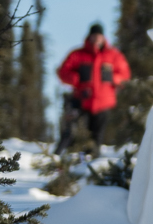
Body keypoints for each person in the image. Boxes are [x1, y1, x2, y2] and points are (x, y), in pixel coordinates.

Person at [55, 23, 131, 151]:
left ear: (103, 37)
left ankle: (93, 158)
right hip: (82, 102)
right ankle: (63, 154)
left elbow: (125, 76)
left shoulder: (113, 55)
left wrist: (113, 78)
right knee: (73, 133)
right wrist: (76, 79)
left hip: (104, 103)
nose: (96, 39)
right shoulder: (78, 54)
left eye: (99, 36)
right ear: (89, 37)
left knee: (96, 139)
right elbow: (63, 72)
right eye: (94, 36)